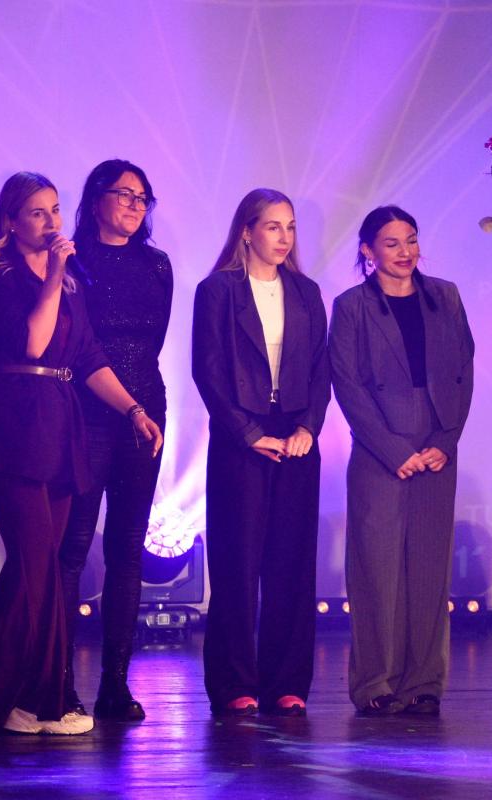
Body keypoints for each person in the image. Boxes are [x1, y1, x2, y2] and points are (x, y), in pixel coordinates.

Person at [0, 171, 162, 735]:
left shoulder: (68, 281)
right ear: (11, 221)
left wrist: (133, 410)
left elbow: (88, 356)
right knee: (39, 562)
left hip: (58, 423)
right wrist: (52, 278)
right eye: (37, 212)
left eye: (55, 210)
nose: (51, 222)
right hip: (11, 421)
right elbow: (33, 342)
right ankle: (40, 702)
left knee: (32, 567)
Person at [329, 206, 474, 717]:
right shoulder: (352, 307)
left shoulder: (445, 296)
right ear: (367, 251)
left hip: (436, 447)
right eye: (391, 243)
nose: (405, 251)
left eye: (411, 240)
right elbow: (347, 385)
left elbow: (462, 372)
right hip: (379, 450)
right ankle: (376, 682)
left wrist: (446, 440)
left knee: (429, 569)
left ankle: (424, 682)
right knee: (376, 569)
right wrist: (393, 450)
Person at [191, 188, 330, 717]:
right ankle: (234, 683)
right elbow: (208, 371)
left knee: (291, 563)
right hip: (241, 439)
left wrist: (308, 427)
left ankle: (287, 682)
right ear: (247, 231)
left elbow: (320, 370)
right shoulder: (218, 290)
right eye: (273, 226)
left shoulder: (306, 291)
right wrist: (248, 433)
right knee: (237, 561)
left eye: (290, 226)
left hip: (295, 436)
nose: (284, 237)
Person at [58, 159, 173, 721]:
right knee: (74, 546)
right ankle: (57, 682)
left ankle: (114, 685)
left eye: (142, 197)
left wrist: (140, 406)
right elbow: (75, 343)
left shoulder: (157, 264)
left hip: (146, 412)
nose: (134, 204)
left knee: (127, 548)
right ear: (96, 198)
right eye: (124, 194)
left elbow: (153, 341)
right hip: (86, 413)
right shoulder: (71, 259)